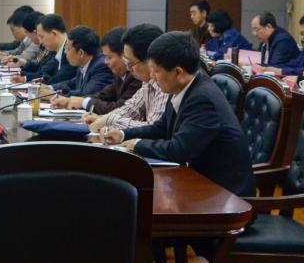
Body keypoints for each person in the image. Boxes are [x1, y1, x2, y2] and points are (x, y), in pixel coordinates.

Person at [105, 32, 255, 196]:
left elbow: (178, 150)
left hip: (225, 194)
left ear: (178, 72)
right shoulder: (182, 86)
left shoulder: (202, 99)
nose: (152, 77)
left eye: (156, 71)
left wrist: (136, 144)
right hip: (198, 180)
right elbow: (161, 128)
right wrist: (123, 134)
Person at [86, 24, 170, 132]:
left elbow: (154, 128)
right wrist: (104, 119)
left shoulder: (165, 84)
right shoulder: (147, 81)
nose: (129, 69)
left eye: (131, 63)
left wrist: (108, 120)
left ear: (149, 61)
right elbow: (132, 109)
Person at [51, 26, 141, 112]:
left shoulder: (136, 77)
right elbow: (103, 95)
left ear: (124, 55)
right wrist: (71, 101)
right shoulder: (120, 75)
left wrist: (83, 102)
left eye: (109, 57)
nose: (106, 62)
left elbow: (121, 109)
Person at [51, 25, 114, 97]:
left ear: (81, 53)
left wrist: (55, 95)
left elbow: (86, 93)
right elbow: (71, 83)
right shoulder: (84, 63)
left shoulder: (101, 66)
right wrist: (50, 88)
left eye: (68, 48)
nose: (65, 52)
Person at [12, 13, 75, 86]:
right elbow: (44, 72)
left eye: (42, 37)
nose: (40, 42)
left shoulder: (70, 52)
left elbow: (59, 80)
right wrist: (24, 77)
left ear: (54, 34)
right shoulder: (56, 51)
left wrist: (45, 86)